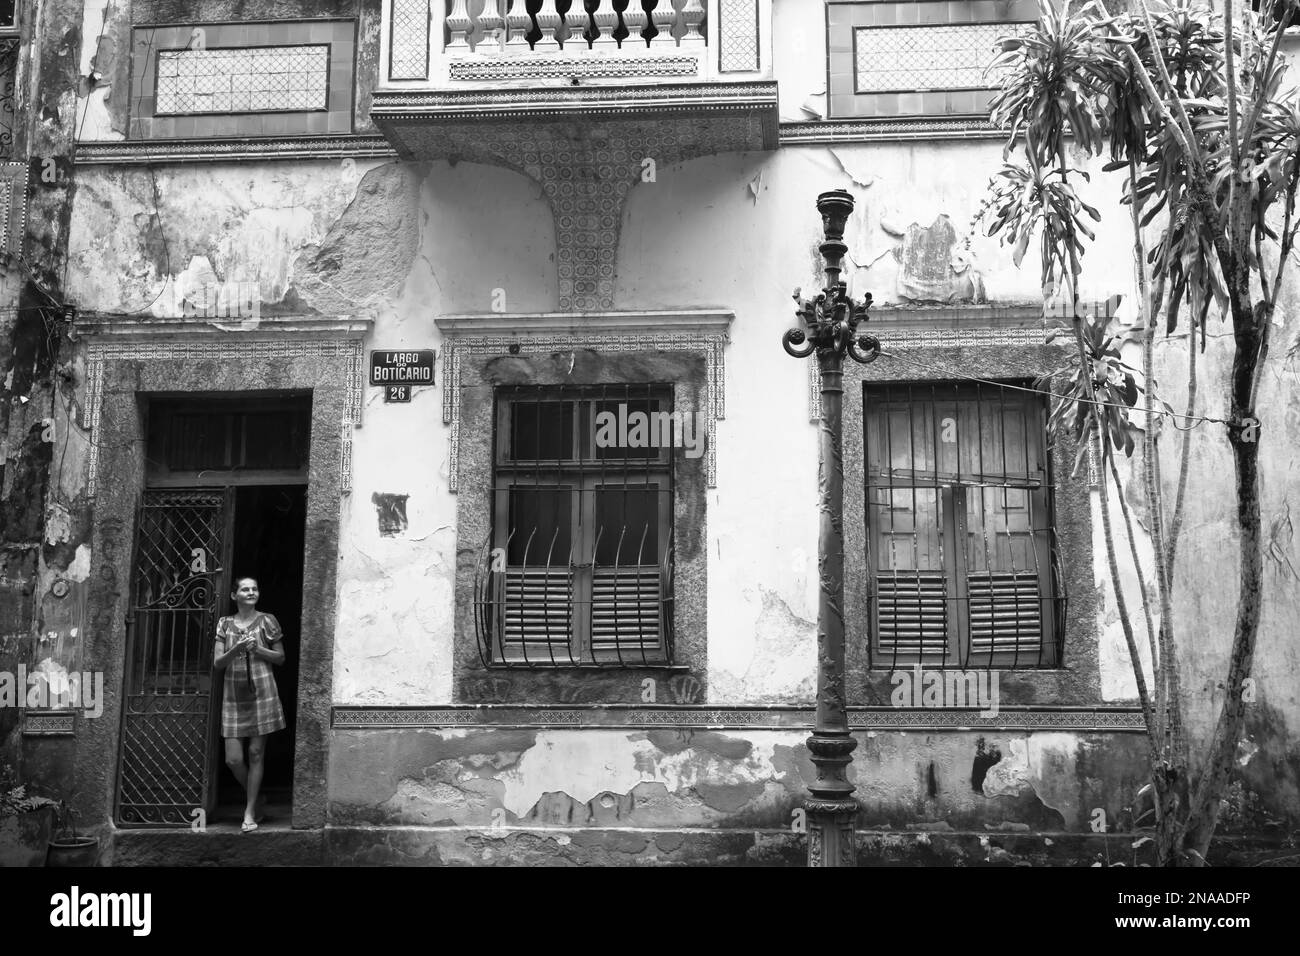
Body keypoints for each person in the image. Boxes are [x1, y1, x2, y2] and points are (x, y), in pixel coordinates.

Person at [213, 576, 286, 832]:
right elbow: (218, 663)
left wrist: (258, 649)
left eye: (254, 588)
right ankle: (256, 797)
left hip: (262, 693)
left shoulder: (267, 621)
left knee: (256, 753)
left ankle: (250, 810)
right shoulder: (224, 624)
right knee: (233, 759)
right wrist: (236, 649)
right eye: (245, 589)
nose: (251, 592)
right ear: (234, 595)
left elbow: (280, 658)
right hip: (234, 696)